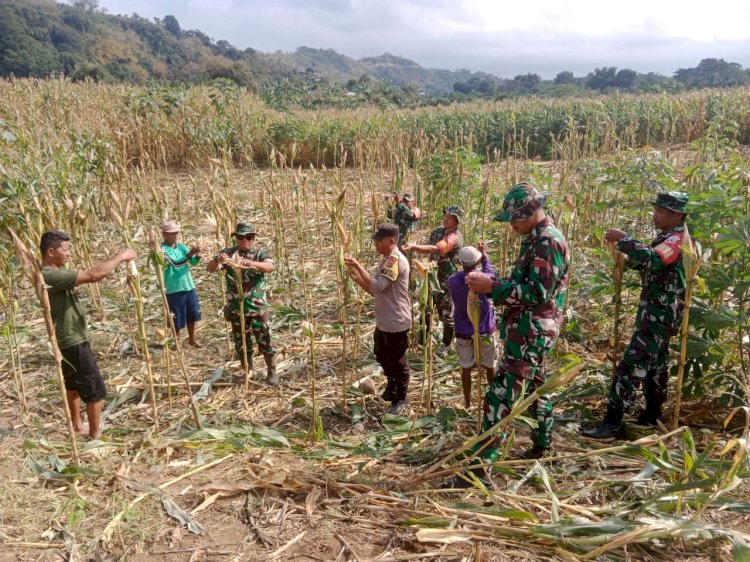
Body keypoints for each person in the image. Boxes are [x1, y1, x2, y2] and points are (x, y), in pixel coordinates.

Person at [462, 183, 570, 484]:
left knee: (500, 397)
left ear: (530, 213)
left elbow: (537, 292)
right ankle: (542, 445)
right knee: (537, 390)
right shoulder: (535, 240)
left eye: (514, 219)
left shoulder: (547, 243)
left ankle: (480, 469)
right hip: (529, 329)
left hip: (532, 331)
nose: (511, 225)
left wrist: (493, 288)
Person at [582, 192, 689, 439]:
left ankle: (612, 424)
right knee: (656, 365)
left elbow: (654, 259)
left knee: (630, 366)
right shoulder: (666, 237)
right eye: (655, 209)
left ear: (677, 215)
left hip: (659, 316)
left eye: (661, 211)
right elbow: (649, 263)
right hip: (657, 314)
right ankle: (652, 414)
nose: (655, 215)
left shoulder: (676, 239)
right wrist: (625, 260)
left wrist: (624, 240)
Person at [40, 230, 136, 440]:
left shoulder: (54, 271)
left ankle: (76, 426)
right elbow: (94, 275)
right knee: (95, 390)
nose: (69, 253)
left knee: (73, 386)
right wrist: (122, 256)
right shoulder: (50, 275)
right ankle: (95, 435)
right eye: (65, 250)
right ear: (50, 251)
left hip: (64, 339)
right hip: (72, 339)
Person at [345, 224, 412, 415]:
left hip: (396, 320)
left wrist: (357, 265)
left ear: (391, 240)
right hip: (385, 320)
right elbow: (374, 289)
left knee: (398, 361)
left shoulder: (395, 261)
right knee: (381, 353)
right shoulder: (386, 260)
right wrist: (356, 277)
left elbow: (376, 287)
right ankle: (392, 387)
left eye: (379, 240)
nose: (376, 244)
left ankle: (401, 398)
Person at [207, 221, 278, 385]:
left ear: (253, 238)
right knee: (241, 341)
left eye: (249, 237)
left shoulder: (260, 252)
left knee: (265, 338)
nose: (245, 240)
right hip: (236, 308)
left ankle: (271, 371)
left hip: (257, 307)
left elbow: (269, 267)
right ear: (235, 238)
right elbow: (210, 268)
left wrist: (252, 264)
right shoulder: (228, 253)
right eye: (240, 237)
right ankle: (248, 370)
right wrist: (218, 260)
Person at [403, 206, 464, 349]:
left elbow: (436, 248)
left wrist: (414, 247)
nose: (445, 218)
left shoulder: (454, 237)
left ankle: (447, 344)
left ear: (456, 221)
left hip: (445, 279)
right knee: (426, 307)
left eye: (450, 217)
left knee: (445, 312)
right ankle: (422, 341)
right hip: (430, 275)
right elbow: (429, 246)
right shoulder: (438, 231)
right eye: (445, 216)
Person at [448, 244, 497, 409]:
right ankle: (493, 401)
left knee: (466, 367)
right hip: (485, 330)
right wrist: (485, 256)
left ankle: (468, 403)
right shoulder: (483, 278)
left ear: (460, 262)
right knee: (490, 365)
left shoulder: (453, 281)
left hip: (463, 331)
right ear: (477, 262)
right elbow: (491, 275)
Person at [160, 221, 202, 348]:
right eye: (172, 233)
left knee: (192, 314)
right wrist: (190, 254)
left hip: (188, 286)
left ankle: (192, 339)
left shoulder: (182, 247)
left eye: (176, 232)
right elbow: (175, 264)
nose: (175, 235)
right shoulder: (161, 251)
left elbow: (193, 263)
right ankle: (176, 342)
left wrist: (198, 254)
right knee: (176, 317)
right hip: (174, 288)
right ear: (164, 234)